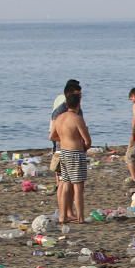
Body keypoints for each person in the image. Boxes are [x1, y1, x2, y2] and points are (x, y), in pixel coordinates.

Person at [49, 91, 91, 224]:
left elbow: (51, 136)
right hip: (75, 153)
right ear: (78, 104)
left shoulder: (59, 118)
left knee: (66, 183)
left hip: (63, 152)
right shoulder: (77, 118)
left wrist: (63, 138)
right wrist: (82, 146)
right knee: (78, 186)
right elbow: (87, 140)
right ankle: (80, 217)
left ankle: (62, 216)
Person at [49, 79, 81, 213]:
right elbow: (52, 134)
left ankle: (68, 212)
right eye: (78, 94)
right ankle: (65, 212)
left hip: (72, 150)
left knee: (68, 183)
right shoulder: (60, 110)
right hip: (62, 150)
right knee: (63, 183)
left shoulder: (77, 109)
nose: (80, 97)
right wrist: (67, 141)